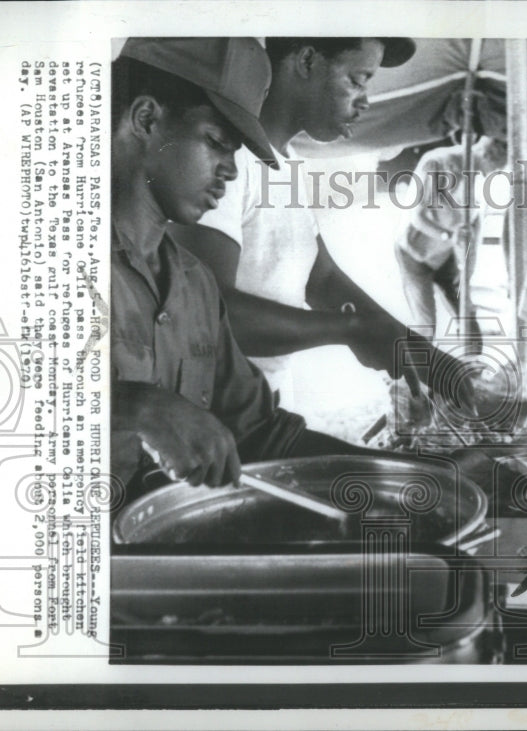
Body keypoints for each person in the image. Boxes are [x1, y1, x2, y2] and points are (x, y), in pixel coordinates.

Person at [110, 38, 381, 492]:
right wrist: (137, 407)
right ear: (146, 119)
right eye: (217, 143)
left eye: (235, 152)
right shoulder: (43, 257)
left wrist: (415, 476)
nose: (231, 171)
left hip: (161, 555)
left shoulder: (194, 287)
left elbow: (265, 435)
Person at [170, 37, 473, 416]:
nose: (365, 100)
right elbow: (208, 311)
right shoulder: (226, 159)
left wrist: (438, 366)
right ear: (308, 60)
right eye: (357, 80)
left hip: (263, 413)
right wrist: (348, 329)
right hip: (205, 424)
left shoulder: (287, 163)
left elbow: (324, 278)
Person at [394, 131, 508, 338]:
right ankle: (412, 367)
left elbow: (473, 235)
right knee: (426, 325)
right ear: (490, 153)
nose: (498, 172)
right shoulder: (437, 162)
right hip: (414, 253)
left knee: (470, 328)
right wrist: (448, 236)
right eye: (498, 167)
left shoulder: (480, 182)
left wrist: (466, 281)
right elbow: (417, 216)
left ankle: (473, 365)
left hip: (446, 258)